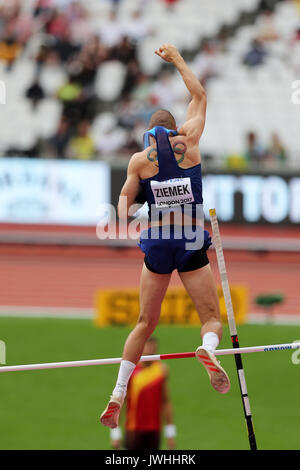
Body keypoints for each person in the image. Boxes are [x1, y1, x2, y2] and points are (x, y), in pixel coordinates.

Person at [100, 44, 230, 430]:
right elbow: (200, 95)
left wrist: (142, 206)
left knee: (144, 322)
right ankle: (207, 350)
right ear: (174, 126)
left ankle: (118, 393)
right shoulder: (188, 141)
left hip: (157, 242)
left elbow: (121, 211)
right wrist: (175, 60)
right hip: (191, 238)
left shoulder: (140, 161)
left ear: (147, 134)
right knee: (210, 318)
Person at [110, 337, 175, 450]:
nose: (150, 350)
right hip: (133, 429)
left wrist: (170, 434)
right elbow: (120, 401)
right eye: (147, 346)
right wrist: (115, 433)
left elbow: (166, 402)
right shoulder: (129, 371)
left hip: (154, 430)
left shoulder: (161, 370)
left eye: (153, 347)